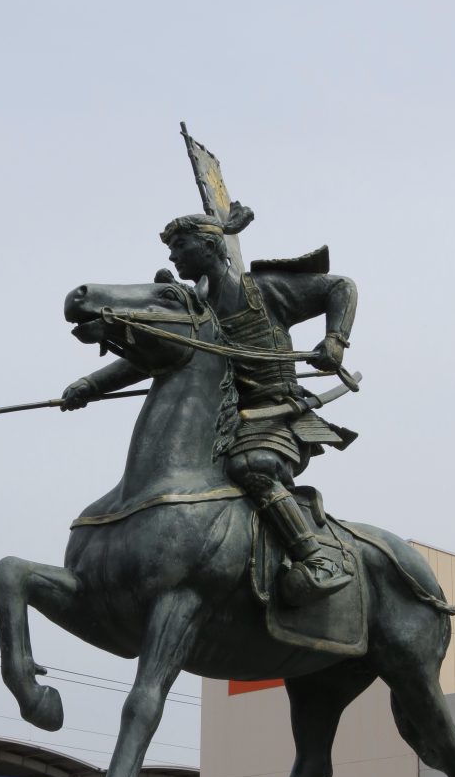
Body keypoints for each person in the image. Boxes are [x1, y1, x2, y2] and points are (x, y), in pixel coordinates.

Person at [61, 206, 358, 604]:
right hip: (224, 421)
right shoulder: (197, 309)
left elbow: (340, 287)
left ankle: (314, 557)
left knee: (252, 468)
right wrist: (90, 384)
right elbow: (145, 359)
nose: (172, 256)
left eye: (180, 246)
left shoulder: (263, 289)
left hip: (277, 416)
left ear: (209, 244)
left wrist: (334, 340)